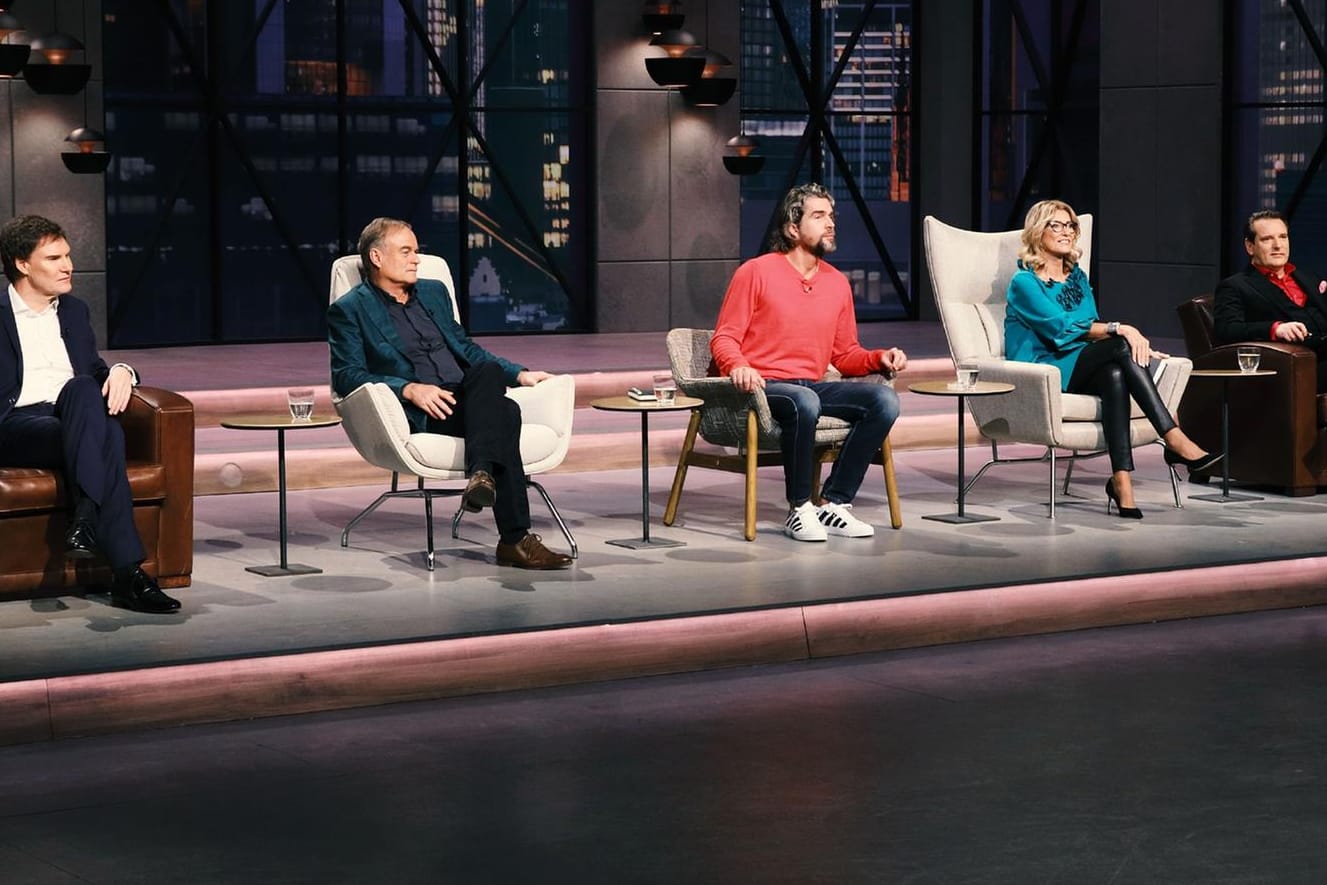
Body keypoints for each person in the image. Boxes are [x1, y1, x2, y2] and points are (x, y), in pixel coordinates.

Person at [327, 217, 572, 570]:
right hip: (428, 410)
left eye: (417, 251)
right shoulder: (350, 309)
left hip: (468, 396)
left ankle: (482, 476)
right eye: (406, 251)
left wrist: (519, 374)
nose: (416, 259)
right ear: (377, 257)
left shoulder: (433, 292)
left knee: (487, 375)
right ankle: (515, 539)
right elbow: (346, 376)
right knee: (506, 413)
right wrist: (409, 389)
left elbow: (467, 350)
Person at [0, 215, 180, 613]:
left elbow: (93, 371)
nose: (68, 265)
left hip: (69, 418)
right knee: (108, 435)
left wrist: (122, 372)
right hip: (14, 425)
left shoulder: (74, 311)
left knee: (84, 391)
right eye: (54, 257)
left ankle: (88, 522)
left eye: (68, 255)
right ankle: (126, 571)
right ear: (22, 264)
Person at [710, 183, 906, 542]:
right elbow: (724, 337)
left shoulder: (837, 284)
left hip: (811, 385)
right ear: (792, 228)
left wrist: (879, 358)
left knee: (884, 401)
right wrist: (738, 365)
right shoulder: (756, 272)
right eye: (819, 216)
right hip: (763, 386)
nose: (830, 223)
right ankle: (799, 508)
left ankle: (833, 503)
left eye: (831, 216)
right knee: (804, 400)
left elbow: (845, 355)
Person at [1004, 199, 1222, 518]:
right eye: (1057, 225)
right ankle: (1173, 435)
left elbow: (1089, 324)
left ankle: (1122, 483)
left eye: (1070, 225)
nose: (1066, 232)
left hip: (1077, 360)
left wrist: (1123, 338)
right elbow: (1061, 328)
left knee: (1115, 375)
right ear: (1038, 231)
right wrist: (1124, 331)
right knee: (1121, 346)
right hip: (1043, 367)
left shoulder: (1076, 276)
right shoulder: (1023, 282)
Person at [1214, 209, 1327, 392]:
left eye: (1283, 237)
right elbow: (1227, 330)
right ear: (1250, 246)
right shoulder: (1234, 286)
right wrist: (1275, 328)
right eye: (1267, 239)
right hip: (1292, 367)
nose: (1278, 245)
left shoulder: (1308, 278)